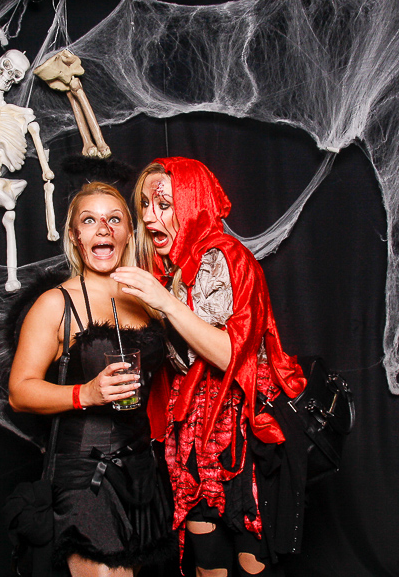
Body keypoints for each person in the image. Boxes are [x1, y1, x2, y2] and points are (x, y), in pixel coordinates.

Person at [111, 158, 307, 577]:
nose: (149, 216)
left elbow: (229, 355)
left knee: (251, 564)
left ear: (192, 202)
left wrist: (165, 304)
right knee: (208, 563)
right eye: (145, 205)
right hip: (193, 432)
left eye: (164, 204)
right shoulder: (171, 268)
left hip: (240, 427)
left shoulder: (226, 256)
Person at [9, 182, 174, 577]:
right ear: (74, 236)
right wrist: (86, 393)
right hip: (85, 474)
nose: (103, 228)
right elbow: (19, 391)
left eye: (114, 219)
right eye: (89, 220)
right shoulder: (55, 303)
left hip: (142, 471)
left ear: (128, 233)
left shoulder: (148, 298)